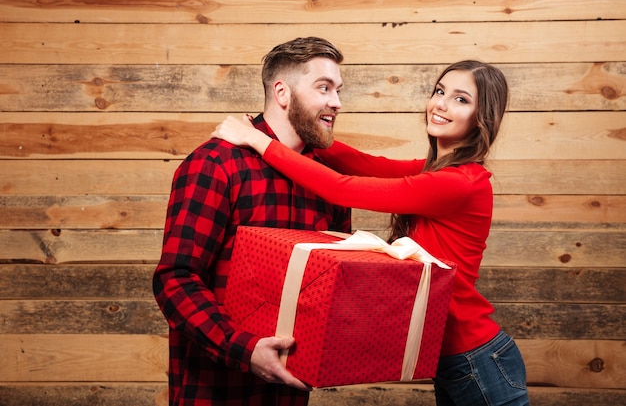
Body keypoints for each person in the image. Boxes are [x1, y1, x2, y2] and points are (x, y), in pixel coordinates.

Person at [212, 60, 530, 406]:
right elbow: (366, 165)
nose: (441, 104)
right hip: (458, 361)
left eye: (461, 99)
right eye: (440, 92)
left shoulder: (459, 184)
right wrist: (296, 125)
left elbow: (342, 188)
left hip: (478, 358)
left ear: (481, 118)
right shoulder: (435, 172)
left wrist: (258, 140)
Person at [153, 36, 351, 406]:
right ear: (282, 92)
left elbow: (329, 289)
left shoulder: (327, 181)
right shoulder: (216, 164)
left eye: (338, 90)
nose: (336, 102)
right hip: (215, 392)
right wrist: (243, 349)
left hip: (289, 395)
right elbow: (175, 280)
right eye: (324, 88)